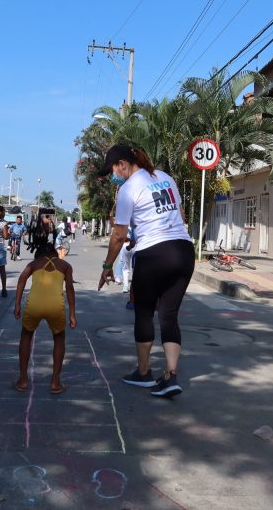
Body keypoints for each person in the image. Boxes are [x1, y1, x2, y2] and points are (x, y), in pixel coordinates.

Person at [97, 144, 194, 399]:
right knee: (169, 315)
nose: (113, 176)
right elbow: (180, 216)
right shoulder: (165, 177)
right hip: (184, 252)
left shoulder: (128, 189)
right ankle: (171, 376)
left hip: (154, 255)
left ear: (122, 164)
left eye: (112, 170)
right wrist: (143, 234)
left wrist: (108, 267)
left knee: (144, 312)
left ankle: (143, 373)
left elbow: (119, 235)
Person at [14, 241, 77, 395]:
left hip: (34, 305)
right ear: (54, 253)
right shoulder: (65, 266)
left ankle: (23, 380)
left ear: (39, 253)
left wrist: (17, 305)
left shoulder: (34, 264)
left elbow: (21, 279)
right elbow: (69, 289)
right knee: (59, 337)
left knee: (26, 335)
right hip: (55, 306)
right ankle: (55, 382)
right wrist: (73, 313)